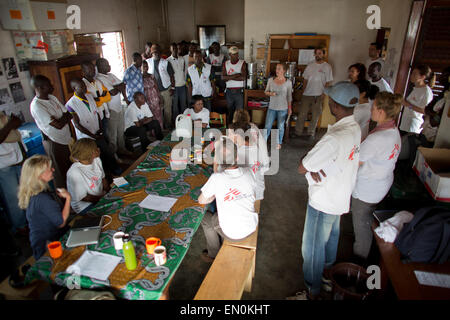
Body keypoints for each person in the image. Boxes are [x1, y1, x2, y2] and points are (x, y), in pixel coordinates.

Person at [291, 81, 361, 300]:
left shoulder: (333, 138)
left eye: (330, 100)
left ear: (335, 106)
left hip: (323, 201)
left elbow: (302, 167)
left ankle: (312, 291)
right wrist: (316, 166)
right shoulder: (355, 128)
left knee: (311, 249)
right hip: (339, 196)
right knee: (331, 239)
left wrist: (311, 165)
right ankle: (327, 279)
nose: (328, 101)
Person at [351, 92, 402, 263]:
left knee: (362, 228)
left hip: (367, 190)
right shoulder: (393, 131)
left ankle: (359, 265)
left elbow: (355, 162)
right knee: (368, 223)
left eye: (373, 107)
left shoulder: (377, 138)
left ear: (381, 111)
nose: (371, 109)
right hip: (381, 184)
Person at [198, 137, 258, 262]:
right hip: (251, 226)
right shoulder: (249, 172)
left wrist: (215, 194)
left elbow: (201, 200)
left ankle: (212, 253)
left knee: (205, 218)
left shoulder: (217, 178)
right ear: (237, 158)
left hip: (234, 234)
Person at [18, 155, 71, 260]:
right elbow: (61, 222)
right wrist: (68, 198)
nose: (53, 169)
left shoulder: (34, 193)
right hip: (49, 245)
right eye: (49, 169)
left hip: (40, 241)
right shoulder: (43, 199)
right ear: (39, 175)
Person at [66, 78, 121, 176]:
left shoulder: (90, 96)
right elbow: (77, 125)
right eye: (81, 86)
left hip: (97, 133)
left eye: (84, 85)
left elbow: (97, 114)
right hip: (87, 137)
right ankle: (104, 176)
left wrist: (100, 129)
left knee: (107, 152)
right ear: (74, 88)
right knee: (94, 159)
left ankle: (115, 170)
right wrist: (92, 135)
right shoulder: (71, 105)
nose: (84, 88)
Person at [30, 75, 74, 188]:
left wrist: (61, 119)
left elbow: (68, 114)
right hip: (54, 142)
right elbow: (58, 125)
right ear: (39, 88)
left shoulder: (52, 98)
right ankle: (65, 201)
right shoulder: (37, 106)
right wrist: (62, 119)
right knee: (60, 173)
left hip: (66, 139)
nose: (52, 87)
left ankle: (75, 195)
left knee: (70, 168)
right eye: (48, 85)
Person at [95, 58, 131, 159]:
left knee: (120, 131)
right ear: (100, 67)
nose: (109, 66)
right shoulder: (99, 79)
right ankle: (114, 156)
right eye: (106, 65)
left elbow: (123, 85)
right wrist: (117, 87)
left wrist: (118, 88)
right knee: (112, 135)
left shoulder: (110, 75)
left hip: (119, 107)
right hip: (111, 110)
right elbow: (113, 92)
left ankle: (122, 149)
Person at [294, 48, 333, 139]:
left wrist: (324, 94)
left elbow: (328, 82)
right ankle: (297, 132)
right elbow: (305, 79)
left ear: (323, 54)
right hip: (307, 94)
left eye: (319, 53)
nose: (317, 55)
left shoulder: (327, 67)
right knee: (302, 114)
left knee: (315, 115)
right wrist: (303, 92)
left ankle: (310, 133)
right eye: (316, 53)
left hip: (319, 95)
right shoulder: (310, 65)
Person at [0, 112, 28, 235]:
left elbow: (15, 136)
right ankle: (20, 227)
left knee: (24, 193)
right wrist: (11, 124)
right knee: (12, 198)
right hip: (4, 165)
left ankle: (28, 222)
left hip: (17, 159)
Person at [228, 121, 269, 202]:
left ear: (237, 136)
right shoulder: (254, 146)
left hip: (248, 195)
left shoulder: (242, 154)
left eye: (230, 134)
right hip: (258, 190)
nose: (228, 136)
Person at [67, 138, 110, 215]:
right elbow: (84, 197)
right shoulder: (74, 172)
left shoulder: (96, 160)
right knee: (108, 214)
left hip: (100, 196)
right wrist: (103, 199)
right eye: (96, 148)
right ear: (90, 153)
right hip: (85, 205)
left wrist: (108, 192)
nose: (98, 149)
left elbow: (103, 178)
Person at [399, 65, 435, 135]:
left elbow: (424, 111)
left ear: (422, 77)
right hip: (405, 122)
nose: (411, 75)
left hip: (413, 125)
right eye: (412, 73)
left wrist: (407, 105)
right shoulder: (415, 88)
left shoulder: (426, 92)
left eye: (414, 74)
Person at [263, 63, 292, 150]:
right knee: (267, 126)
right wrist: (271, 93)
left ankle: (278, 143)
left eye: (279, 69)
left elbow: (289, 97)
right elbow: (266, 92)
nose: (277, 70)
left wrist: (290, 108)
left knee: (280, 127)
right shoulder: (271, 80)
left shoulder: (288, 82)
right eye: (276, 69)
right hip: (272, 107)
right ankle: (263, 142)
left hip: (283, 108)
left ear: (284, 70)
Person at [147, 44, 175, 130]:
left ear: (160, 52)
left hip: (166, 89)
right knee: (157, 110)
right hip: (154, 91)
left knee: (167, 109)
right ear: (151, 53)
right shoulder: (148, 62)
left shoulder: (166, 62)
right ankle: (160, 127)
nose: (156, 54)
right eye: (154, 52)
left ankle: (168, 125)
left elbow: (172, 76)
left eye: (158, 52)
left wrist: (172, 88)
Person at [81, 61, 111, 137]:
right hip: (95, 115)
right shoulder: (83, 85)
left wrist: (98, 99)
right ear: (83, 72)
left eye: (94, 69)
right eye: (90, 69)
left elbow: (108, 97)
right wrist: (101, 97)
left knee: (106, 134)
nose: (93, 71)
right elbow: (92, 103)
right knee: (99, 136)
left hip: (104, 112)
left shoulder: (98, 82)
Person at [222, 46, 247, 123]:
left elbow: (243, 77)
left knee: (239, 112)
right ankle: (230, 129)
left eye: (236, 54)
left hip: (239, 91)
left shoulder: (242, 63)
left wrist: (229, 77)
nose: (236, 55)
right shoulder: (226, 63)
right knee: (230, 111)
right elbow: (223, 78)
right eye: (233, 54)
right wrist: (236, 75)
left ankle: (239, 129)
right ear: (229, 54)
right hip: (229, 91)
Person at [142, 60, 164, 130]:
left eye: (146, 66)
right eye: (144, 66)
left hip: (155, 97)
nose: (145, 68)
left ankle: (160, 130)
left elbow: (156, 87)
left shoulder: (151, 76)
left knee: (158, 114)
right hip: (147, 99)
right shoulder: (140, 77)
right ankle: (153, 133)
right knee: (150, 116)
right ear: (140, 68)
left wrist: (160, 97)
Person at [168, 43, 187, 118]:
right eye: (173, 49)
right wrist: (171, 87)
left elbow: (183, 70)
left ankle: (185, 121)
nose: (175, 50)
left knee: (183, 105)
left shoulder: (182, 58)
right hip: (174, 87)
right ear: (171, 50)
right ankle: (176, 122)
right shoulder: (168, 60)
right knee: (175, 106)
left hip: (182, 85)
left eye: (176, 49)